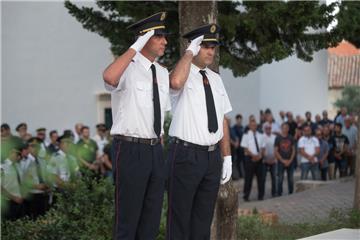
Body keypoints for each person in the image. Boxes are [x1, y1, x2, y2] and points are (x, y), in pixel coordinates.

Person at [103, 12, 171, 240]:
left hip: (155, 150)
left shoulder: (162, 73)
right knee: (127, 220)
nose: (165, 41)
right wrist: (135, 47)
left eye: (164, 36)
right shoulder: (126, 68)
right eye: (158, 36)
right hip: (130, 149)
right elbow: (110, 77)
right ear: (144, 38)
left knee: (151, 219)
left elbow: (158, 117)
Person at [166, 24, 232, 239]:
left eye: (213, 47)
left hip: (212, 156)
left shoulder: (215, 79)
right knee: (179, 219)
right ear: (194, 47)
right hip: (186, 155)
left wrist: (227, 156)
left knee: (203, 220)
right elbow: (175, 82)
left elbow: (222, 118)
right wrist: (188, 54)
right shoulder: (180, 74)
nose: (211, 51)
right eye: (205, 46)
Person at [241, 119, 266, 201]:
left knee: (261, 178)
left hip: (259, 158)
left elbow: (263, 147)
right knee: (248, 178)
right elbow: (245, 148)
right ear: (249, 126)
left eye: (255, 125)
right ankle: (246, 196)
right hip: (250, 159)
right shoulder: (246, 135)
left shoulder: (261, 135)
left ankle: (261, 196)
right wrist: (253, 156)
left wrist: (260, 155)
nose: (253, 127)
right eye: (252, 125)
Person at [1, 146, 24, 220]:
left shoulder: (18, 166)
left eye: (20, 154)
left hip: (20, 201)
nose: (19, 156)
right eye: (17, 153)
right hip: (8, 202)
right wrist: (14, 198)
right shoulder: (2, 167)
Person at [275, 122, 296, 196]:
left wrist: (290, 160)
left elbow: (293, 150)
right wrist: (282, 160)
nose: (285, 129)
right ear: (281, 128)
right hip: (281, 162)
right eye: (283, 128)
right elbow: (276, 151)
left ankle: (291, 193)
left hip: (290, 162)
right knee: (280, 179)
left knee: (291, 179)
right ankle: (279, 194)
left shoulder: (291, 138)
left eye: (286, 128)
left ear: (288, 129)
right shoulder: (278, 138)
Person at [262, 122, 277, 197]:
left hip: (273, 160)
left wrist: (274, 158)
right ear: (264, 129)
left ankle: (274, 193)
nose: (268, 129)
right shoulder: (262, 137)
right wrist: (266, 159)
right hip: (265, 160)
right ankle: (262, 194)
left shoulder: (274, 137)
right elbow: (262, 149)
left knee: (274, 177)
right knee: (263, 178)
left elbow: (276, 148)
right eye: (267, 128)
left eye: (269, 128)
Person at [232, 114, 245, 179]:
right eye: (238, 120)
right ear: (236, 120)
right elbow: (235, 137)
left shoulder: (242, 128)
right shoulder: (234, 128)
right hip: (237, 149)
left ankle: (243, 174)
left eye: (240, 120)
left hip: (243, 148)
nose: (239, 121)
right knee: (237, 162)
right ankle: (239, 175)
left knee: (243, 161)